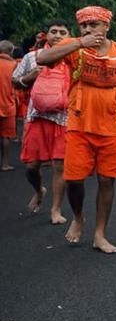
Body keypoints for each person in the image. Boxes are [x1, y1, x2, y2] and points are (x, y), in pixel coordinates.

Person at [37, 6, 116, 254]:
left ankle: (100, 234)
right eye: (84, 25)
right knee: (73, 179)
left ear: (106, 27)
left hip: (114, 126)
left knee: (107, 181)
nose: (88, 29)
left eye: (94, 25)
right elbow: (42, 59)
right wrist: (78, 43)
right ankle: (79, 217)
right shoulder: (75, 46)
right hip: (79, 125)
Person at [13, 21, 71, 221]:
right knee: (31, 167)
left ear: (69, 37)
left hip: (64, 120)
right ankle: (39, 190)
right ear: (46, 35)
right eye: (53, 31)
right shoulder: (31, 57)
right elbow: (14, 81)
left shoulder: (73, 58)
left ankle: (56, 209)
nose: (57, 35)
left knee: (60, 167)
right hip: (35, 117)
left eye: (62, 32)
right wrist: (30, 76)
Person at [0, 40, 17, 171]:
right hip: (8, 104)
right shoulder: (13, 64)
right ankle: (4, 164)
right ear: (11, 51)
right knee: (5, 136)